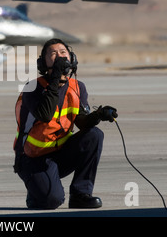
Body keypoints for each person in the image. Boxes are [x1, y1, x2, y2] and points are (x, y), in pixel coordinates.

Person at [13, 38, 118, 209]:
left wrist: (99, 114)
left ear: (72, 59)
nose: (59, 57)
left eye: (63, 53)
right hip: (33, 158)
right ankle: (36, 191)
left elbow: (82, 123)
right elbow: (45, 115)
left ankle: (80, 194)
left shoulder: (77, 87)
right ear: (43, 62)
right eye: (53, 54)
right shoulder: (32, 87)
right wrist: (55, 79)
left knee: (94, 135)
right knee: (51, 201)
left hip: (60, 154)